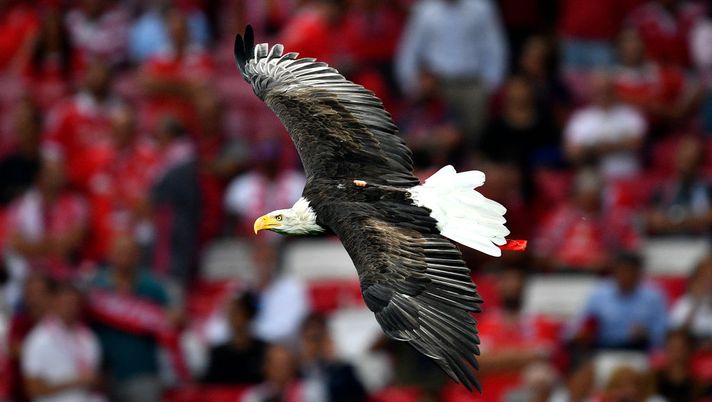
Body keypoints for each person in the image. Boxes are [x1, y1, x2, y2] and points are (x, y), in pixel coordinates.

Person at [396, 0, 507, 142]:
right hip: (438, 85)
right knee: (441, 137)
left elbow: (494, 45)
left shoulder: (481, 7)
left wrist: (492, 84)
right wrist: (411, 85)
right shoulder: (425, 10)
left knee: (475, 134)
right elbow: (410, 50)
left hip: (472, 84)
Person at [90, 235, 169, 402]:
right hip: (105, 375)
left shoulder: (152, 287)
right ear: (110, 254)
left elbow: (170, 321)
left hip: (142, 374)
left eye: (129, 252)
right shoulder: (96, 287)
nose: (124, 257)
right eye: (119, 252)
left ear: (137, 256)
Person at [4, 157, 88, 300]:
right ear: (40, 177)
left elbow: (70, 244)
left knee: (69, 298)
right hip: (31, 275)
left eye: (60, 171)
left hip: (66, 275)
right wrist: (54, 244)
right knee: (29, 291)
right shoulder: (22, 206)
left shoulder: (76, 203)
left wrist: (34, 246)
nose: (59, 175)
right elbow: (15, 244)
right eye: (52, 172)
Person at [477, 264, 560, 402]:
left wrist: (497, 358)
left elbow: (543, 356)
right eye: (507, 281)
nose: (512, 285)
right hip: (488, 393)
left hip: (525, 392)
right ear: (498, 286)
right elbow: (477, 363)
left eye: (517, 281)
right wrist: (522, 356)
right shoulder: (484, 323)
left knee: (541, 374)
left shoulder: (541, 321)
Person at [534, 168, 640, 272]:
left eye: (593, 194)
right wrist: (557, 260)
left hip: (601, 277)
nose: (589, 200)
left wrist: (609, 259)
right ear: (576, 194)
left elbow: (630, 247)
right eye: (585, 193)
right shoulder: (559, 217)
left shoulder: (613, 219)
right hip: (562, 275)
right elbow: (540, 247)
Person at [568, 252, 668, 351]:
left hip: (640, 350)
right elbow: (578, 326)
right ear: (614, 272)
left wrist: (647, 333)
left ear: (639, 273)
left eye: (630, 271)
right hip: (603, 348)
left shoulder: (653, 297)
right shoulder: (599, 295)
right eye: (622, 271)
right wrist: (583, 333)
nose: (626, 276)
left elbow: (663, 331)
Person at [42, 60, 117, 191]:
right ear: (86, 77)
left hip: (112, 187)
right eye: (94, 73)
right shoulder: (66, 111)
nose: (99, 78)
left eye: (103, 74)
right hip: (75, 187)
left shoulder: (119, 112)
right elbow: (51, 151)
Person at [21, 284, 101, 402]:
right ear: (54, 303)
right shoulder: (39, 340)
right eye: (65, 303)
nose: (70, 308)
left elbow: (95, 377)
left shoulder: (88, 337)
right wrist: (76, 381)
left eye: (74, 303)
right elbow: (34, 388)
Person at [564, 71, 646, 181]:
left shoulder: (630, 115)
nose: (603, 94)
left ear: (614, 91)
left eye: (606, 90)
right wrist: (617, 144)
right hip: (593, 180)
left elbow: (637, 143)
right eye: (598, 91)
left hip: (626, 175)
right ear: (591, 92)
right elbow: (572, 153)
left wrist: (597, 148)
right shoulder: (580, 119)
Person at [150, 117, 200, 285]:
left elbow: (163, 190)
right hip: (171, 218)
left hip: (179, 219)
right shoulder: (172, 157)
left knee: (176, 264)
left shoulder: (183, 159)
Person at [645, 136, 712, 237]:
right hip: (668, 245)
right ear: (676, 157)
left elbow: (708, 219)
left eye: (692, 158)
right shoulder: (662, 189)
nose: (687, 162)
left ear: (700, 161)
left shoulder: (707, 188)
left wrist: (673, 220)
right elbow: (655, 221)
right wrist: (693, 221)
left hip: (701, 244)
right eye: (684, 157)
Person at [298, 314, 366, 402]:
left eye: (319, 338)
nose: (315, 345)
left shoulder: (344, 371)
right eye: (310, 339)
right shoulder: (295, 372)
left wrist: (334, 363)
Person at [203, 292, 266, 385]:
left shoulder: (263, 350)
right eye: (230, 313)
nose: (233, 317)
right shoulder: (218, 353)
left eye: (237, 312)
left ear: (248, 315)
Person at [0, 99, 42, 206]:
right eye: (18, 124)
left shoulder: (46, 162)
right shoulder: (8, 165)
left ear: (36, 127)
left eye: (25, 125)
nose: (20, 129)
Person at [65, 0, 129, 66]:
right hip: (77, 71)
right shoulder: (73, 18)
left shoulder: (117, 20)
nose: (89, 2)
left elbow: (117, 57)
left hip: (111, 71)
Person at [668, 255, 712, 346]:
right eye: (705, 277)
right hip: (691, 349)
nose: (709, 282)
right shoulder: (685, 302)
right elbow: (677, 335)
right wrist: (695, 305)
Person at [653, 329, 707, 402]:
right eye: (672, 348)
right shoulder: (653, 380)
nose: (676, 353)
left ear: (690, 350)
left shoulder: (700, 385)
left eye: (681, 348)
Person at [242, 344, 307, 402]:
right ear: (266, 367)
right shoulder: (255, 395)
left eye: (285, 364)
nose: (280, 370)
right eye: (276, 364)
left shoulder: (307, 391)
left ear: (293, 367)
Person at [596, 366, 666, 402]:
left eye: (630, 384)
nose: (625, 391)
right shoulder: (599, 399)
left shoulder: (655, 400)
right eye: (620, 386)